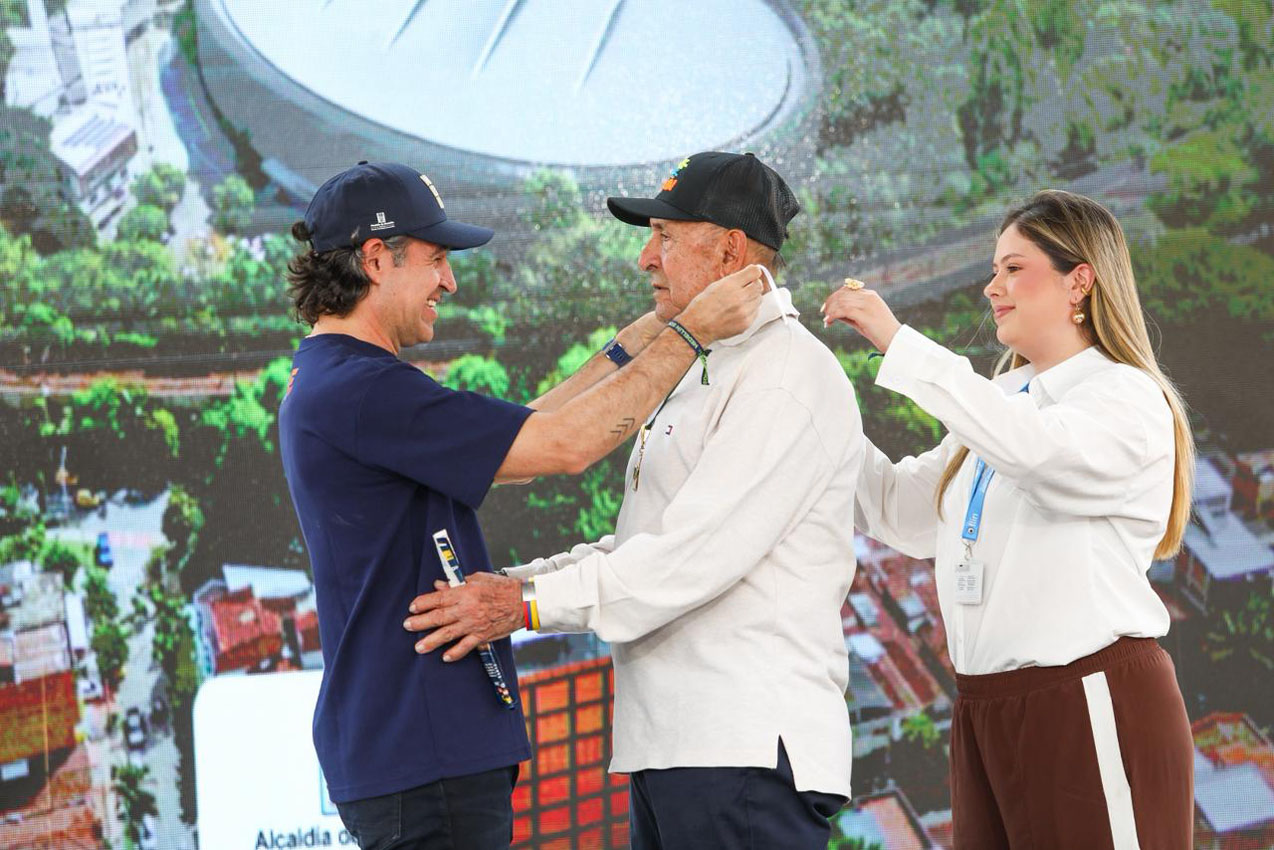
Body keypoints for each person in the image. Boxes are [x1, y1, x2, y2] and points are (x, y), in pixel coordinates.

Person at [277, 160, 765, 850]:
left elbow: (523, 429)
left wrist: (641, 339)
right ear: (377, 258)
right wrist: (692, 336)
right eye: (437, 259)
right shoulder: (362, 391)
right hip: (425, 751)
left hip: (415, 748)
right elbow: (564, 446)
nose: (449, 280)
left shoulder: (340, 381)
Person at [404, 151, 864, 850]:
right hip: (683, 747)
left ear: (731, 251)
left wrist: (521, 607)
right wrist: (519, 586)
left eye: (666, 236)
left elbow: (686, 560)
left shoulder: (782, 378)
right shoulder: (707, 367)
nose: (646, 258)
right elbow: (648, 543)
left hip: (742, 751)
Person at [821, 189, 1195, 850]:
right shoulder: (1004, 398)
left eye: (1012, 268)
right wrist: (809, 409)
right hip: (984, 709)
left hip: (1085, 697)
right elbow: (903, 512)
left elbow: (1035, 452)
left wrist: (897, 343)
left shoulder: (1125, 397)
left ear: (1080, 279)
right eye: (994, 270)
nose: (992, 288)